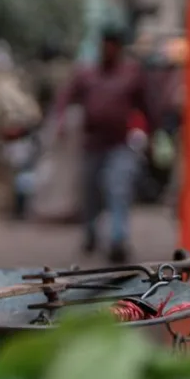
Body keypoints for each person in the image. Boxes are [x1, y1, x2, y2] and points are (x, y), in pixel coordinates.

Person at [51, 25, 155, 263]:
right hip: (92, 144)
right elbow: (65, 97)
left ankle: (118, 238)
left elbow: (148, 106)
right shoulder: (87, 74)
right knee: (90, 193)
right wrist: (60, 120)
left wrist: (152, 135)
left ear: (118, 48)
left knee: (118, 189)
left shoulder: (131, 74)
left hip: (119, 144)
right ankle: (90, 233)